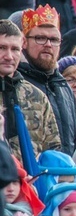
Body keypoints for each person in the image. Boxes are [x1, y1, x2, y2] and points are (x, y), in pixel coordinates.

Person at [18, 5, 76, 155]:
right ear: (24, 42)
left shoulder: (64, 86)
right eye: (40, 38)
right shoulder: (14, 82)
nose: (48, 44)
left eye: (54, 39)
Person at [0, 20, 61, 161]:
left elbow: (53, 149)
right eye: (2, 48)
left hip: (31, 181)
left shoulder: (37, 97)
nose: (8, 56)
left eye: (15, 49)